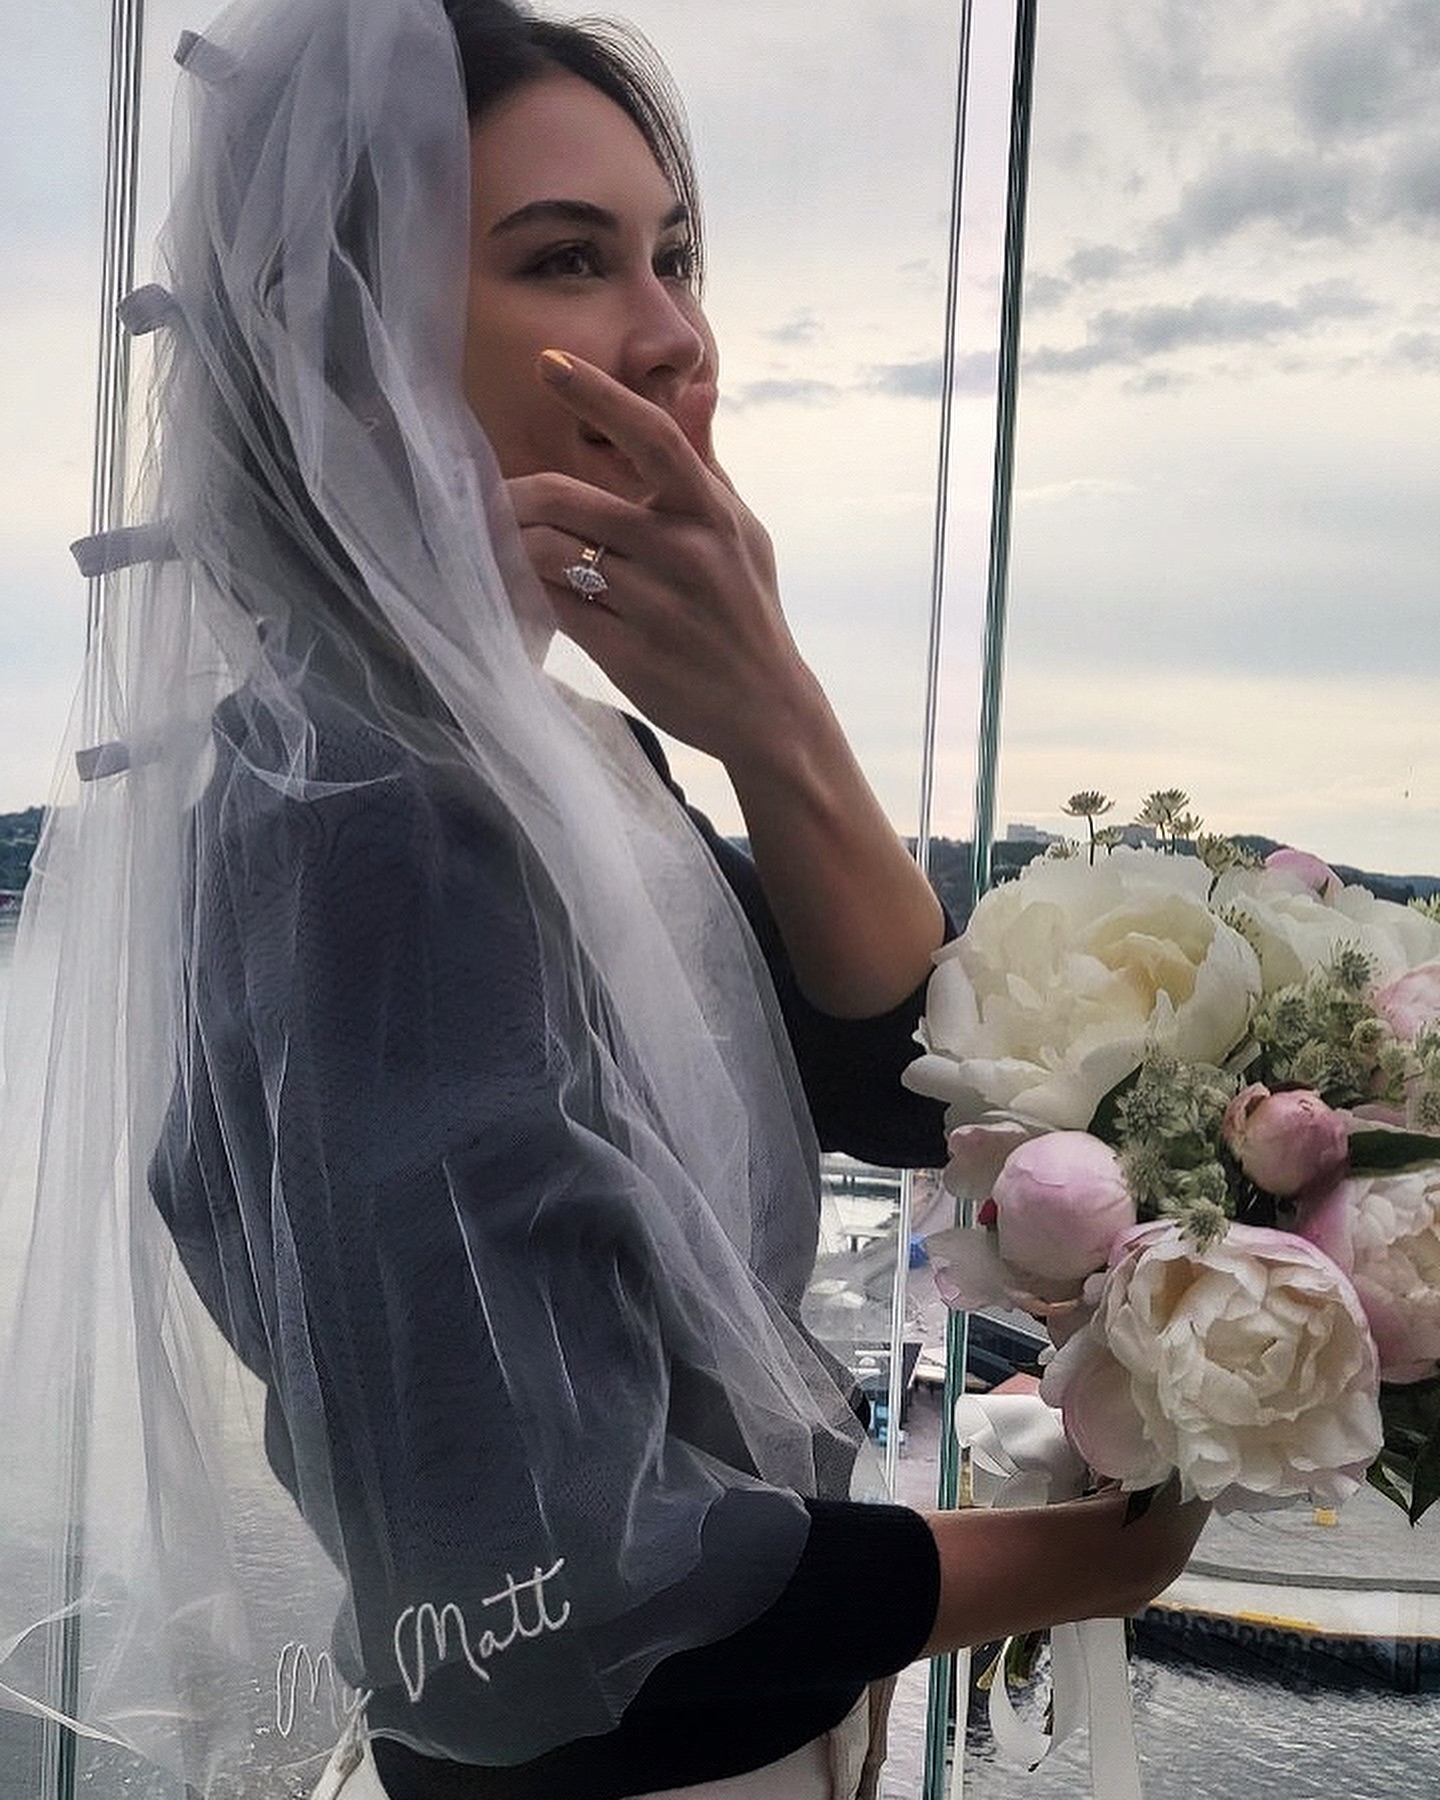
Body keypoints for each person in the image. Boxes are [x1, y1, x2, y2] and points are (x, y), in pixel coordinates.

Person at [0, 1, 1206, 1797]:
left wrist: (772, 714)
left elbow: (900, 1082)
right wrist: (1095, 1562)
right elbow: (581, 1598)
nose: (671, 333)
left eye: (675, 255)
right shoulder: (369, 816)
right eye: (567, 259)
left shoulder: (566, 753)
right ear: (347, 345)